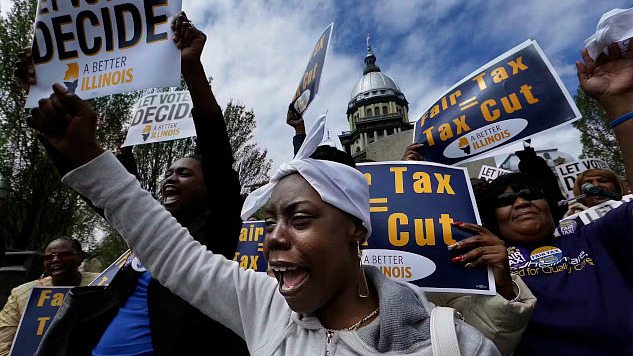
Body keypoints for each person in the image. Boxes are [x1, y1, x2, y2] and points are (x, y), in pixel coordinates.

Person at [29, 73, 508, 356]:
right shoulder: (264, 306)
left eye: (298, 219)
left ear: (355, 231)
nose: (272, 238)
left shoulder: (453, 344)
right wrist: (88, 154)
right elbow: (169, 251)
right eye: (272, 220)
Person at [21, 12, 248, 355]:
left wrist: (192, 71)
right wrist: (43, 93)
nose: (171, 176)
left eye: (185, 173)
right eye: (169, 172)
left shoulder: (215, 232)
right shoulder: (144, 230)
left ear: (209, 191)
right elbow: (98, 188)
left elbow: (217, 157)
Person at [473, 42, 633, 355]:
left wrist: (620, 105)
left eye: (530, 194)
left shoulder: (596, 238)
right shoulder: (485, 265)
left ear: (550, 203)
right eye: (506, 201)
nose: (521, 202)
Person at [0, 237, 99, 356]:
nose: (55, 260)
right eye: (48, 257)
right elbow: (3, 345)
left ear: (80, 257)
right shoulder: (21, 294)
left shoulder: (103, 283)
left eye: (63, 255)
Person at [564, 168, 630, 217]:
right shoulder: (575, 217)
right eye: (588, 185)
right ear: (580, 191)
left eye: (603, 181)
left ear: (617, 186)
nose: (596, 185)